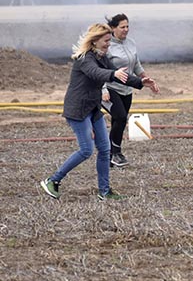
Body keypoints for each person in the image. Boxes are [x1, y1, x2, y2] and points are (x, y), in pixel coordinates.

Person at [40, 23, 154, 200]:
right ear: (95, 40)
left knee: (104, 149)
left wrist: (140, 82)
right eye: (106, 40)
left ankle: (105, 191)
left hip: (93, 109)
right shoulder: (85, 58)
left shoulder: (101, 56)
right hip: (78, 110)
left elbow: (117, 74)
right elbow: (97, 73)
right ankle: (52, 180)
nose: (109, 43)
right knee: (86, 150)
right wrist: (112, 75)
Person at [102, 13, 159, 167]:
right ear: (113, 28)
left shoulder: (131, 43)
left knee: (119, 121)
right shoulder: (107, 46)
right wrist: (103, 90)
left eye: (127, 26)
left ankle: (109, 156)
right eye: (122, 27)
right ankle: (116, 153)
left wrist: (146, 79)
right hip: (110, 88)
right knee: (120, 117)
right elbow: (99, 69)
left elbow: (136, 64)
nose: (126, 29)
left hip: (127, 89)